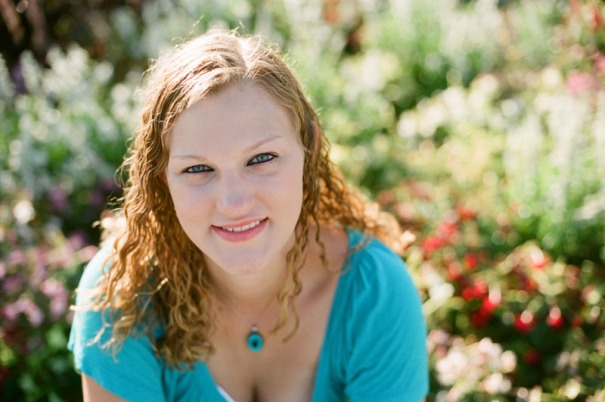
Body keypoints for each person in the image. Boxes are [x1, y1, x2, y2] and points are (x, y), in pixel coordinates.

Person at [69, 30, 429, 402]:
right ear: (163, 180)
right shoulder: (123, 297)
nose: (233, 202)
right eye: (198, 169)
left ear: (309, 146)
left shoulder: (374, 293)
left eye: (260, 159)